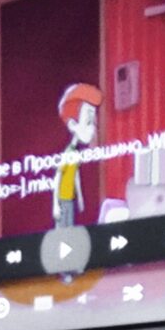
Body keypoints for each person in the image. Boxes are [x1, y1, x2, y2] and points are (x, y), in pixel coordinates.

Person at [54, 81, 103, 227]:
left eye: (94, 122)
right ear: (72, 125)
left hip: (71, 199)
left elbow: (75, 176)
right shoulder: (68, 152)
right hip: (63, 200)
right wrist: (55, 205)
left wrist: (80, 198)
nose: (93, 129)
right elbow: (57, 178)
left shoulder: (76, 153)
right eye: (88, 121)